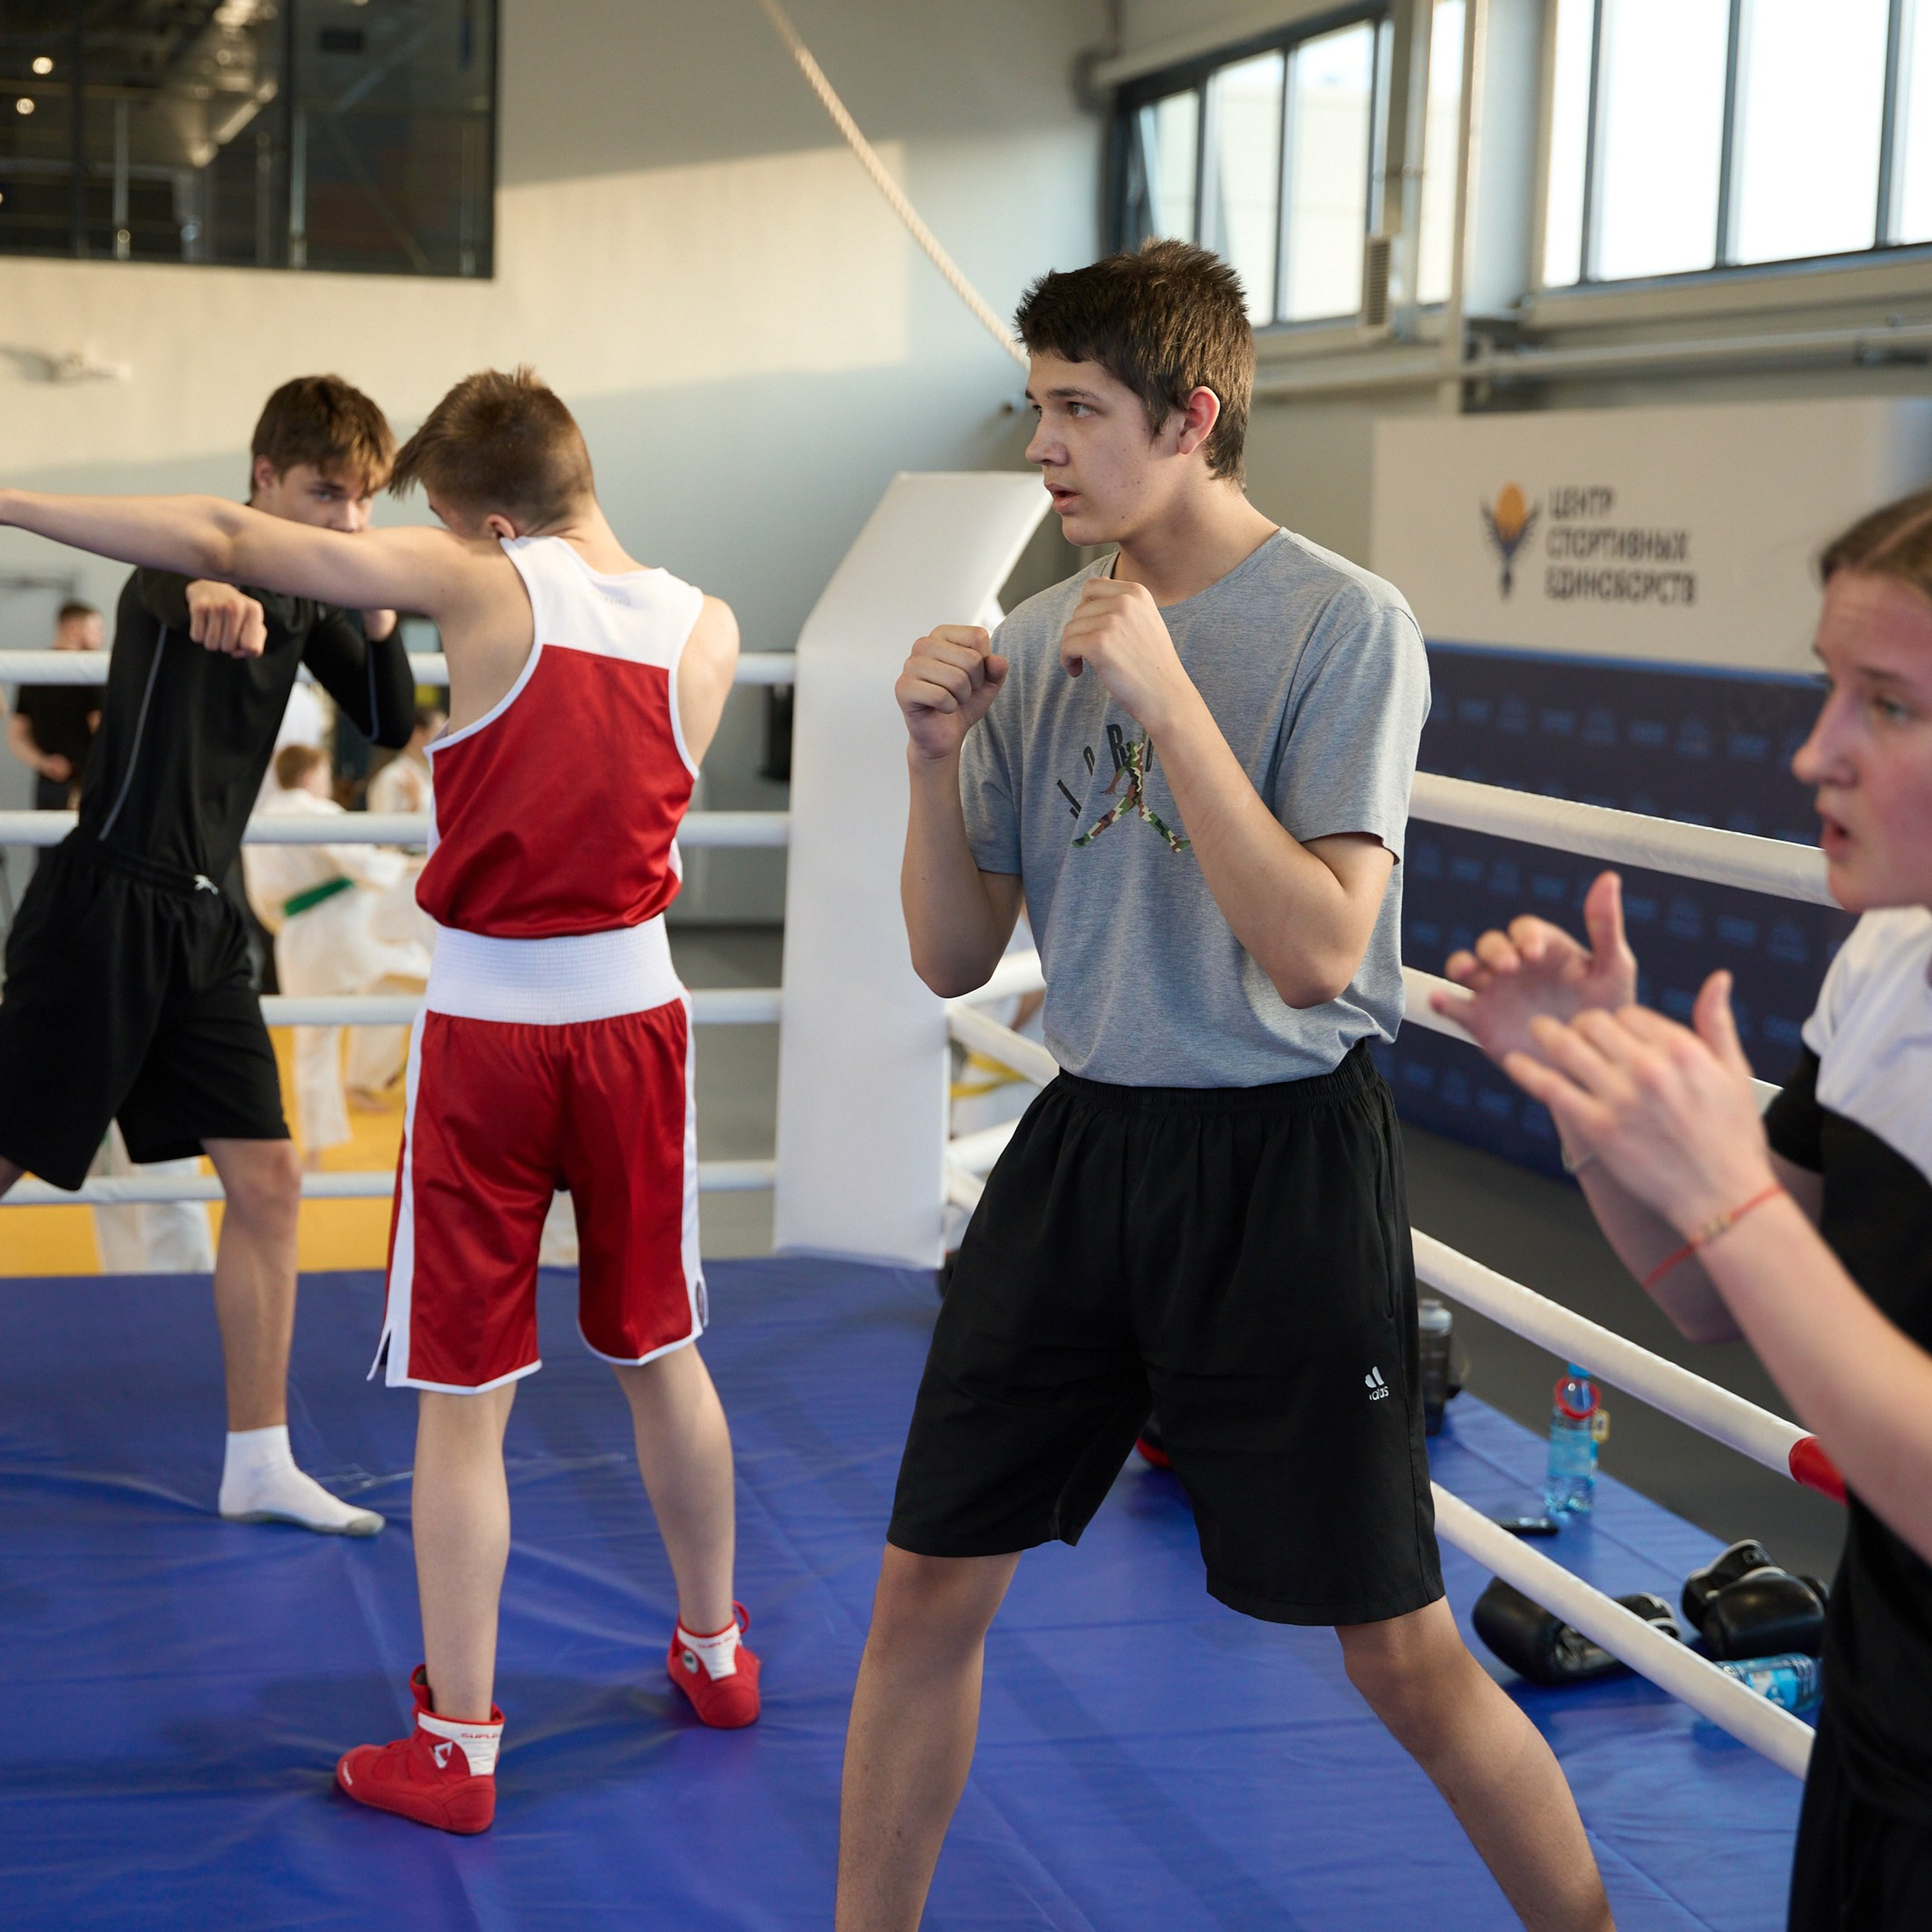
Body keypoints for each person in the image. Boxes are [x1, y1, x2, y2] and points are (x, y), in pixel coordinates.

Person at [842, 241, 1615, 1932]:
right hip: (1084, 1150)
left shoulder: (1344, 623)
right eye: (1036, 405)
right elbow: (951, 956)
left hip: (1281, 1161)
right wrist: (927, 764)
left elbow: (1322, 949)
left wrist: (1171, 696)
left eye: (1076, 409)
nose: (1041, 444)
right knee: (920, 1595)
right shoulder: (1035, 639)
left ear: (1190, 418)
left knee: (1395, 1648)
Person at [0, 365, 749, 1834]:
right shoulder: (707, 625)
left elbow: (227, 539)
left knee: (466, 1401)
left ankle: (459, 1746)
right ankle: (718, 1651)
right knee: (664, 1348)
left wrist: (11, 499)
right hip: (637, 1023)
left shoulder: (476, 582)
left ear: (484, 522)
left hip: (496, 1032)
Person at [1439, 487, 1932, 1930]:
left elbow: (1752, 1246)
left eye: (1890, 705)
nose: (1815, 751)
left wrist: (1730, 1197)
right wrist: (1596, 1107)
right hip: (1884, 1716)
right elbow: (1714, 1296)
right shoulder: (1888, 969)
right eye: (1828, 688)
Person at [0, 375, 414, 1538]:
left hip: (205, 922)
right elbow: (170, 575)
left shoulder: (314, 596)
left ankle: (258, 1461)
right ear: (264, 478)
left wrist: (384, 611)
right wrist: (208, 589)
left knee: (269, 1181)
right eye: (325, 494)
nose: (346, 521)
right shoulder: (187, 556)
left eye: (363, 501)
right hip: (105, 911)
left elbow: (387, 717)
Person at [242, 743, 429, 1161]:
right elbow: (361, 862)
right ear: (309, 776)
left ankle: (314, 1154)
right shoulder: (317, 811)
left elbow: (262, 902)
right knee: (430, 979)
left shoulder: (259, 823)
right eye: (325, 775)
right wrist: (405, 865)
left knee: (313, 1043)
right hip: (347, 926)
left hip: (295, 937)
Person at [8, 599, 103, 808]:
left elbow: (16, 736)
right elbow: (102, 732)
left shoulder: (33, 672)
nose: (100, 638)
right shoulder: (90, 673)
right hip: (85, 781)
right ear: (74, 628)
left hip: (49, 783)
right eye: (96, 629)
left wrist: (44, 763)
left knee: (47, 828)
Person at [365, 703, 445, 818]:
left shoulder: (430, 772)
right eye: (438, 732)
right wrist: (413, 806)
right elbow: (379, 826)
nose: (444, 740)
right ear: (418, 734)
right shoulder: (393, 777)